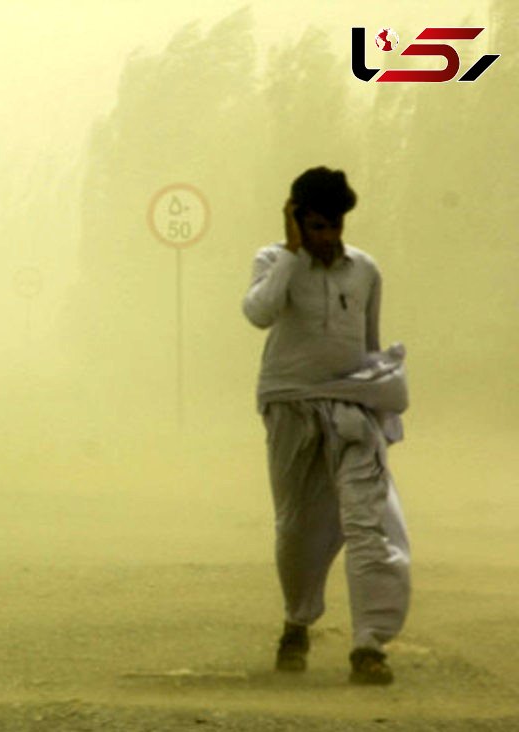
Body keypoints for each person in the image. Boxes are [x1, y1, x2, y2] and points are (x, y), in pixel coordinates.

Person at [242, 166, 411, 685]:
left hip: (350, 407)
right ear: (296, 219)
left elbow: (368, 343)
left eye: (334, 226)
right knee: (299, 527)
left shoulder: (364, 270)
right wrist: (293, 254)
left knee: (367, 520)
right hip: (290, 405)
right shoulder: (274, 261)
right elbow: (259, 313)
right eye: (316, 226)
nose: (328, 238)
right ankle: (297, 621)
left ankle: (369, 644)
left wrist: (375, 404)